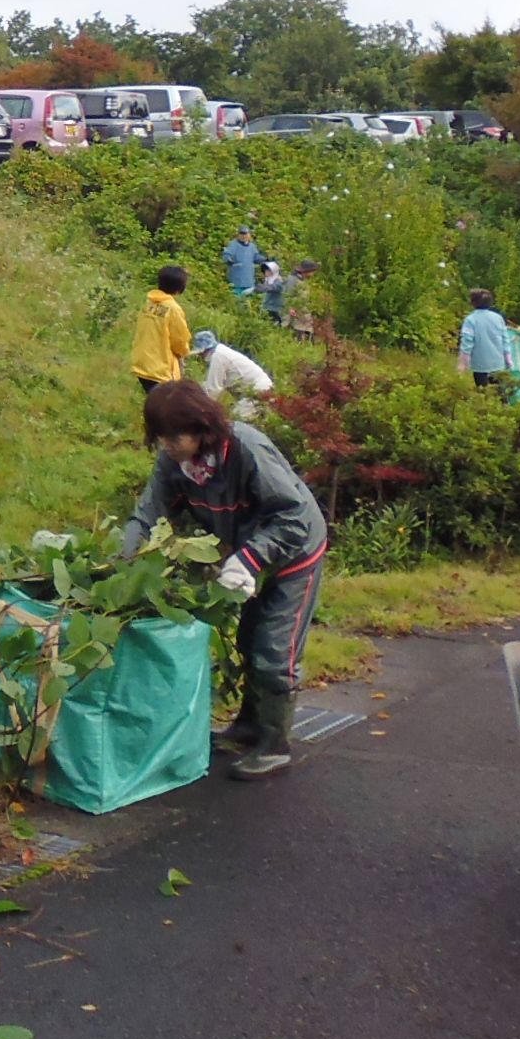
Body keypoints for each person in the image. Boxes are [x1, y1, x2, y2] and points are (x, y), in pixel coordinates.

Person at [120, 381, 327, 780]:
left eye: (174, 436)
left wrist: (248, 559)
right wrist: (121, 561)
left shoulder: (247, 450)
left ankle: (277, 744)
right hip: (244, 554)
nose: (167, 445)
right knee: (248, 638)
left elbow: (294, 517)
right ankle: (249, 725)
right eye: (160, 437)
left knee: (273, 648)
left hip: (294, 551)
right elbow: (146, 514)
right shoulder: (176, 463)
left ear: (201, 428)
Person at [127, 265, 193, 396]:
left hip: (142, 363)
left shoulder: (148, 304)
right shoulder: (173, 309)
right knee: (166, 407)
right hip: (160, 368)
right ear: (180, 288)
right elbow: (179, 340)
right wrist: (184, 353)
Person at [187, 329, 274, 419]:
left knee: (236, 420)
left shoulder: (218, 357)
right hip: (264, 388)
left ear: (204, 350)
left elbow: (213, 390)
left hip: (257, 390)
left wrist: (200, 410)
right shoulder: (222, 352)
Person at [457, 288, 514, 388]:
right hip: (498, 363)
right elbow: (505, 339)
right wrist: (508, 359)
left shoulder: (470, 320)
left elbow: (467, 343)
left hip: (480, 365)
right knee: (500, 392)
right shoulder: (498, 318)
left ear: (473, 303)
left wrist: (463, 364)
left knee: (483, 392)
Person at [222, 226, 265, 303]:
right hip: (236, 280)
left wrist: (265, 259)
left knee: (248, 302)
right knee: (237, 300)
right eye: (241, 234)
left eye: (245, 234)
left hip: (249, 280)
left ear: (249, 235)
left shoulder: (252, 246)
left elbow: (256, 258)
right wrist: (228, 259)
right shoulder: (233, 244)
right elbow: (226, 254)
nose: (243, 236)